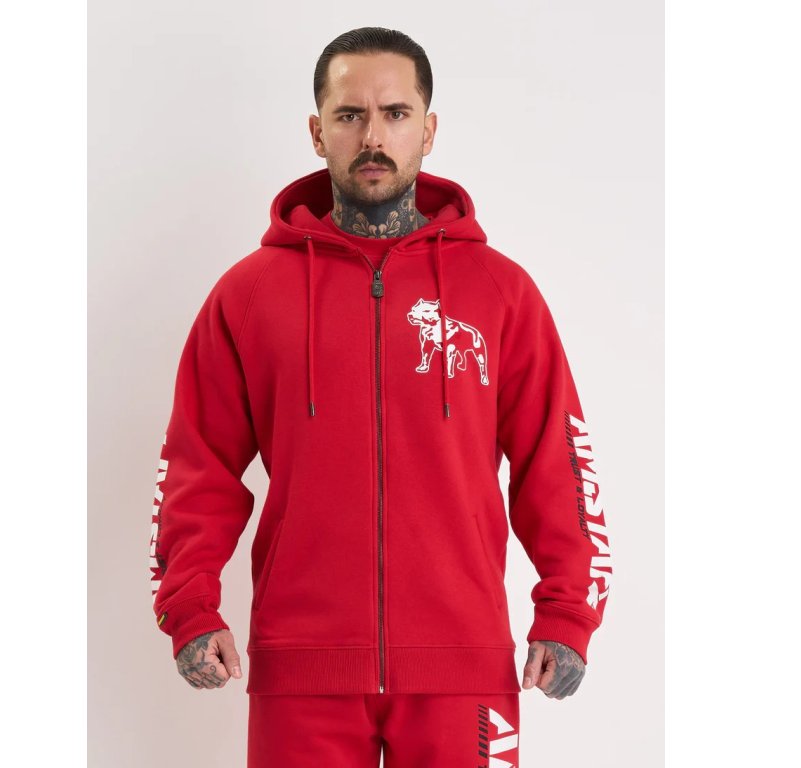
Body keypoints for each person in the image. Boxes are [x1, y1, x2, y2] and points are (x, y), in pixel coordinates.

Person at [148, 26, 612, 767]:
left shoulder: (500, 292)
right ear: (317, 132)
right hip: (303, 669)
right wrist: (190, 606)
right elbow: (196, 464)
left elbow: (558, 461)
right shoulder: (249, 295)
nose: (373, 136)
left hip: (464, 670)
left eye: (395, 114)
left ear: (428, 129)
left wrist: (568, 611)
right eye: (350, 115)